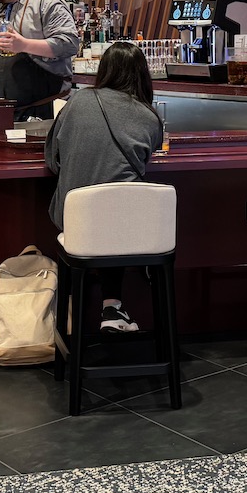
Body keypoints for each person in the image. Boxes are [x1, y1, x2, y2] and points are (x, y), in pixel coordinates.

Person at [45, 43, 164, 332]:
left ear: (104, 70)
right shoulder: (150, 118)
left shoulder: (77, 102)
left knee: (105, 218)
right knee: (118, 214)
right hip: (129, 228)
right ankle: (114, 304)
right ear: (142, 75)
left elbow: (52, 159)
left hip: (74, 221)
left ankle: (90, 308)